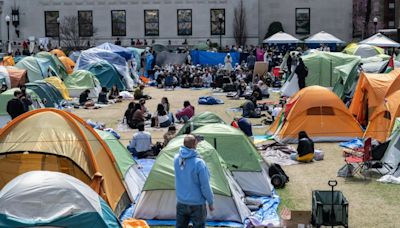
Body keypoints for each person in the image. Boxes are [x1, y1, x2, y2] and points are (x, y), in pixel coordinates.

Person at [174, 134, 214, 228]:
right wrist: (210, 202)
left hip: (181, 201)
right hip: (197, 204)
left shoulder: (176, 159)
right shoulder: (199, 163)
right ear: (195, 144)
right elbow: (205, 186)